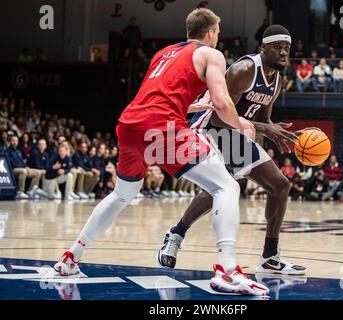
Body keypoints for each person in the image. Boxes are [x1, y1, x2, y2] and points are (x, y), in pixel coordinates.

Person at [54, 8, 267, 295]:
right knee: (226, 187)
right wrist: (240, 122)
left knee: (122, 194)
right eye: (217, 33)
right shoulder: (211, 54)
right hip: (161, 130)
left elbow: (156, 97)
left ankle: (70, 258)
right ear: (211, 33)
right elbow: (222, 101)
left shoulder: (164, 53)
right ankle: (227, 271)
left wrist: (193, 106)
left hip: (129, 126)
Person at [158, 24, 307, 276]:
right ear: (264, 48)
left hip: (239, 134)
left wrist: (275, 132)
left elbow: (262, 118)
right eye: (278, 47)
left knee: (280, 186)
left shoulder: (277, 80)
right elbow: (219, 116)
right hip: (212, 130)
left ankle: (270, 256)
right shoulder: (244, 70)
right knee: (219, 188)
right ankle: (176, 233)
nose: (284, 53)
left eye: (287, 48)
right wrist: (264, 129)